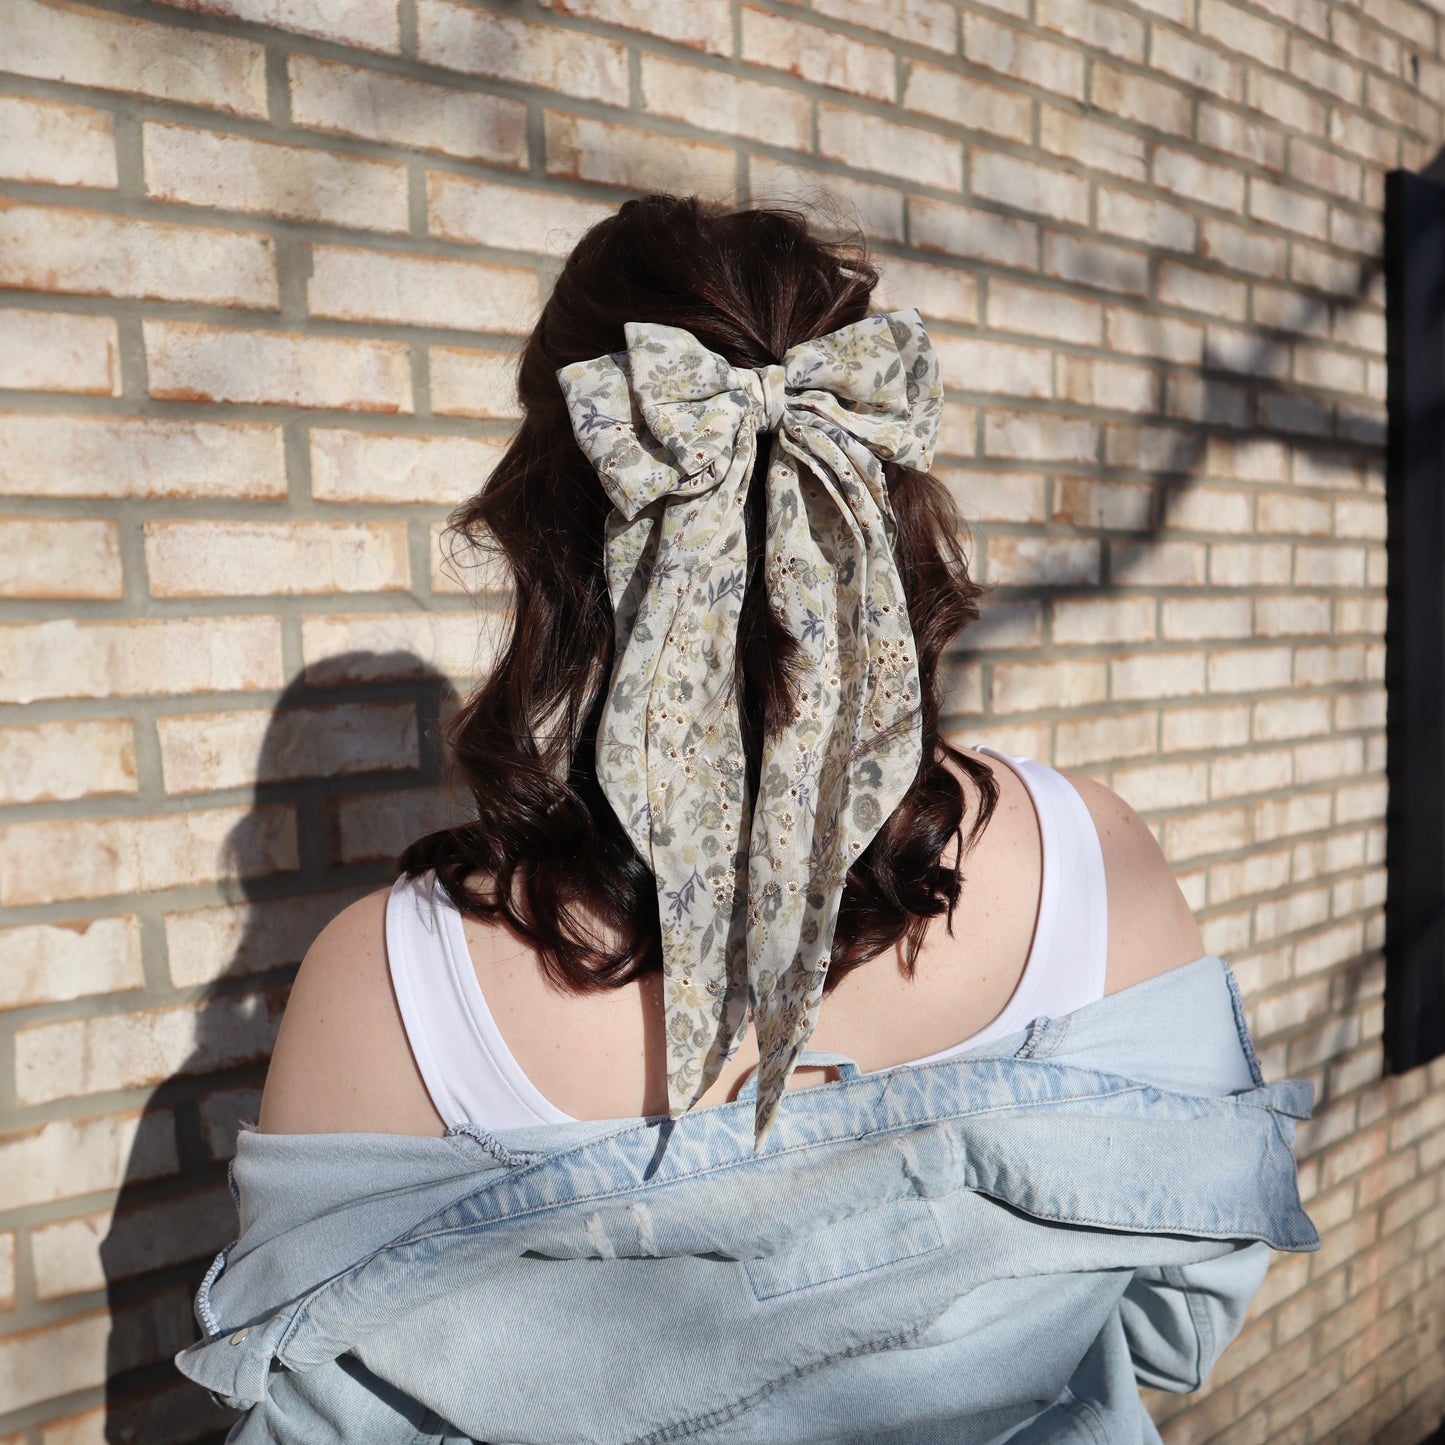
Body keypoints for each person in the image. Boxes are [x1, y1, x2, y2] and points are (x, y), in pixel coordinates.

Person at [175, 196, 1317, 1444]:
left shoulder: (389, 979)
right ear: (882, 502)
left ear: (549, 528)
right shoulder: (1093, 859)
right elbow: (1174, 1317)